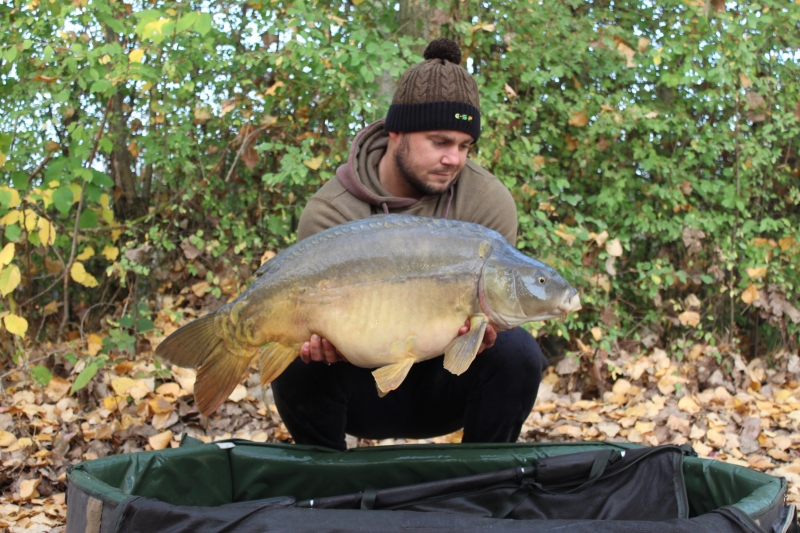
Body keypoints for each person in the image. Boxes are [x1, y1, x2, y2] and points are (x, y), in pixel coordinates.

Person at [272, 38, 548, 451]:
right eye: (439, 142)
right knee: (293, 357)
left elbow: (488, 322)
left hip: (447, 386)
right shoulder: (331, 210)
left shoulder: (488, 201)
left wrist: (484, 331)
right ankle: (326, 485)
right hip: (358, 388)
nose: (454, 159)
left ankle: (485, 486)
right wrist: (320, 342)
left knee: (517, 353)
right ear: (396, 132)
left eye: (464, 146)